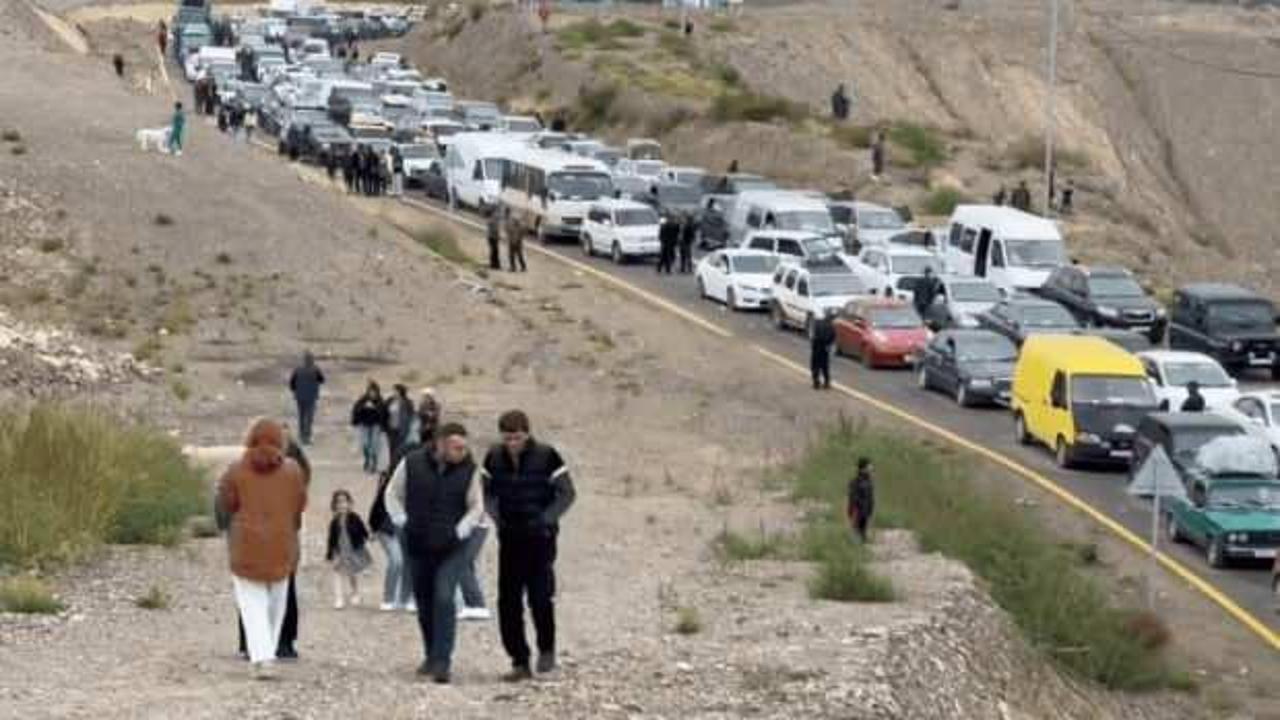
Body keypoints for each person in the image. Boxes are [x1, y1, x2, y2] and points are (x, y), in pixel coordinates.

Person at [385, 423, 485, 683]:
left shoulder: (471, 471)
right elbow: (392, 494)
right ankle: (430, 655)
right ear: (440, 443)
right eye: (456, 447)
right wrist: (403, 521)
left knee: (443, 596)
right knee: (425, 601)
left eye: (465, 447)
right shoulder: (411, 463)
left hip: (453, 547)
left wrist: (460, 531)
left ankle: (443, 661)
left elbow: (476, 507)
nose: (462, 452)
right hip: (417, 544)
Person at [481, 410, 577, 681]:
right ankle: (519, 661)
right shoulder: (493, 456)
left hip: (540, 539)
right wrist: (496, 516)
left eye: (517, 437)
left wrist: (546, 520)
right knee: (508, 602)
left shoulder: (547, 456)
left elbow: (567, 493)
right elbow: (484, 490)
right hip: (509, 538)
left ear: (527, 433)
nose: (512, 443)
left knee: (540, 597)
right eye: (508, 437)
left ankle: (546, 650)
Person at [217, 419, 307, 680]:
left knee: (251, 604)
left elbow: (226, 502)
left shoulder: (235, 470)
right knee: (276, 605)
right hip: (282, 545)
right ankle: (267, 653)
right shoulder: (292, 470)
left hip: (245, 546)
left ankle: (262, 657)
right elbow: (300, 504)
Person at [369, 468, 416, 612]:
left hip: (408, 530)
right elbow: (376, 508)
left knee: (411, 562)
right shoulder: (390, 486)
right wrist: (373, 529)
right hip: (387, 530)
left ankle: (406, 598)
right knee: (397, 560)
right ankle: (388, 598)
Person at [326, 490, 372, 609]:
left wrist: (368, 537)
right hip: (339, 551)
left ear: (350, 503)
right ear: (334, 505)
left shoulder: (355, 517)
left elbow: (362, 530)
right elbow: (331, 539)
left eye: (344, 502)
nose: (342, 505)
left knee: (352, 573)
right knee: (337, 573)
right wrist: (330, 554)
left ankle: (355, 592)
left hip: (352, 549)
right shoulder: (334, 522)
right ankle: (339, 598)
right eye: (339, 502)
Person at [288, 351, 325, 445]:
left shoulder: (297, 369)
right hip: (311, 396)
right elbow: (322, 380)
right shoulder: (316, 369)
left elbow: (292, 382)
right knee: (309, 417)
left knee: (301, 416)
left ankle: (301, 435)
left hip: (300, 396)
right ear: (312, 360)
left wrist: (295, 391)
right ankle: (307, 436)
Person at [351, 382, 387, 474]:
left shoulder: (380, 401)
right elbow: (356, 410)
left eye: (374, 391)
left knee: (374, 445)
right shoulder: (363, 399)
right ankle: (367, 460)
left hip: (376, 425)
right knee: (365, 444)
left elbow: (383, 413)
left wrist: (375, 408)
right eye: (370, 391)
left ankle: (374, 463)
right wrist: (363, 407)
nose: (372, 393)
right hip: (365, 425)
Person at [386, 384, 416, 467]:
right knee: (391, 447)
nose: (393, 392)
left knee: (400, 447)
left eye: (395, 391)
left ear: (399, 391)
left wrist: (409, 427)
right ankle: (392, 464)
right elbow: (384, 411)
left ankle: (400, 464)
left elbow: (412, 415)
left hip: (402, 429)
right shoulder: (390, 401)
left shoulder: (407, 402)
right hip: (391, 428)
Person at [847, 457, 875, 542]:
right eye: (869, 466)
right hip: (858, 510)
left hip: (865, 511)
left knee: (863, 532)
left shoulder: (868, 480)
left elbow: (870, 497)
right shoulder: (856, 481)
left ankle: (862, 542)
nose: (872, 467)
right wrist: (853, 511)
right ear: (864, 468)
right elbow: (853, 498)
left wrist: (870, 509)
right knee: (857, 533)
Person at [810, 309, 836, 390]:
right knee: (825, 367)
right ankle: (826, 383)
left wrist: (813, 343)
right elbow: (832, 338)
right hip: (825, 348)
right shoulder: (831, 327)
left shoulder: (817, 323)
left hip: (816, 347)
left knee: (815, 365)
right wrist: (829, 345)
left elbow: (813, 334)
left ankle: (816, 383)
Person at [487, 206, 503, 271]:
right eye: (497, 212)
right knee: (494, 251)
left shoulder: (495, 220)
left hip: (493, 237)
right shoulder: (492, 220)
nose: (498, 214)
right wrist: (498, 236)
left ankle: (496, 265)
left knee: (495, 251)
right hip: (492, 237)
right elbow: (494, 230)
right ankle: (493, 265)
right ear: (493, 213)